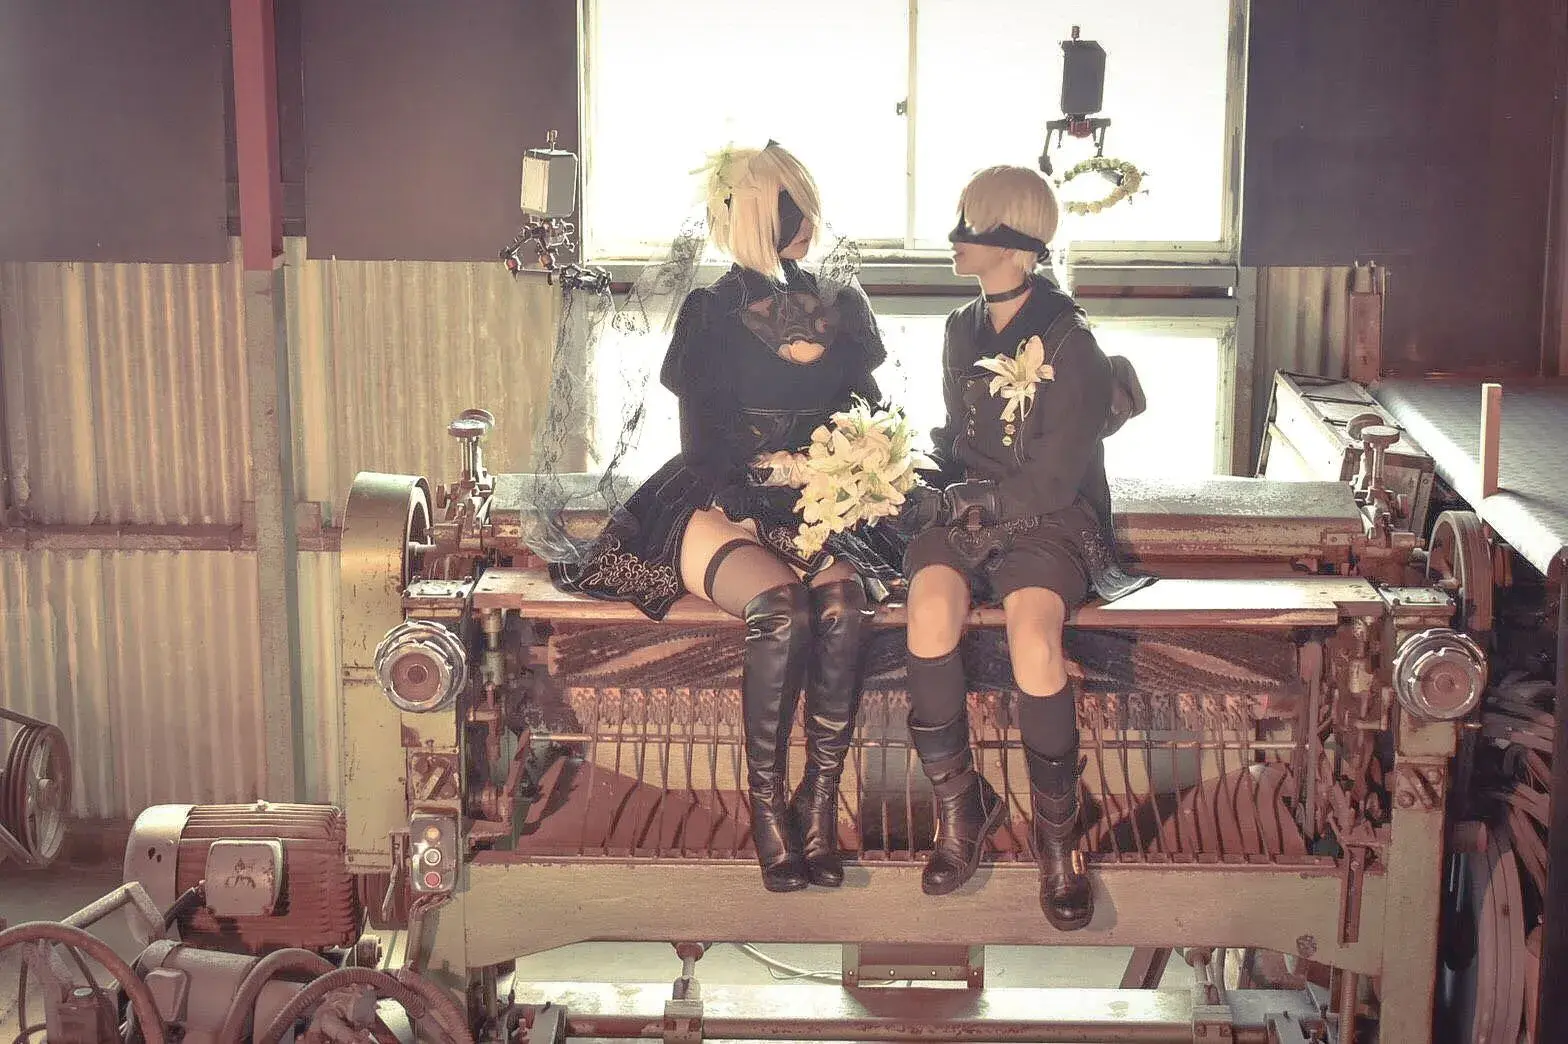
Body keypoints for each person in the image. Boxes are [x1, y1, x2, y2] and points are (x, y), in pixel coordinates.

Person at [551, 143, 888, 892]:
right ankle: (768, 810)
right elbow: (704, 447)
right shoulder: (709, 313)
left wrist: (859, 462)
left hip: (818, 504)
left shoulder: (843, 306)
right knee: (782, 609)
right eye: (797, 208)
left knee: (844, 602)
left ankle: (819, 803)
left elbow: (873, 411)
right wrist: (781, 477)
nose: (812, 222)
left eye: (810, 207)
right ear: (764, 218)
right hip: (721, 502)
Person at [897, 164, 1150, 930]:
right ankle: (961, 805)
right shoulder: (959, 328)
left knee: (1034, 640)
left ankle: (1058, 837)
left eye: (968, 226)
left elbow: (1053, 479)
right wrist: (908, 473)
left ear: (1014, 246)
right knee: (927, 611)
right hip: (968, 515)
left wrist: (968, 502)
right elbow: (956, 437)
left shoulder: (1074, 345)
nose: (953, 239)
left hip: (1050, 520)